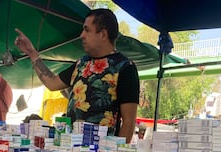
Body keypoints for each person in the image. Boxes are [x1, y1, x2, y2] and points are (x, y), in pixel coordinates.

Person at [14, 8, 139, 143]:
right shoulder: (81, 64)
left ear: (103, 34)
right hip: (71, 150)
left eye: (87, 30)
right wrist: (32, 54)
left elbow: (129, 121)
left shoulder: (125, 68)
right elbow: (52, 83)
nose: (82, 35)